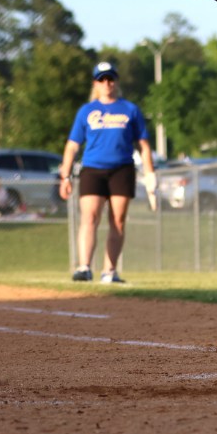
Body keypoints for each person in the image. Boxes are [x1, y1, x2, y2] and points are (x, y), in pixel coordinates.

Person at [58, 61, 157, 284]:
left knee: (118, 220)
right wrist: (65, 176)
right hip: (93, 168)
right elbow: (72, 146)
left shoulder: (130, 109)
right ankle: (84, 267)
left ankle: (109, 271)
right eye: (102, 79)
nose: (107, 83)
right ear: (95, 83)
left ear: (116, 82)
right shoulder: (87, 111)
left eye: (110, 78)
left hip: (121, 168)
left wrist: (150, 174)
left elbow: (143, 145)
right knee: (90, 217)